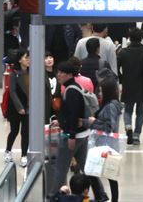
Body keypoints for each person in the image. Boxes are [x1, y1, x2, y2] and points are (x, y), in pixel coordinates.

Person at [49, 61, 108, 201]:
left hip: (73, 135)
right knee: (88, 167)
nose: (58, 75)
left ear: (69, 74)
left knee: (60, 168)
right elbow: (71, 114)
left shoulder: (71, 91)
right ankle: (101, 195)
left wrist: (71, 135)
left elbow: (74, 114)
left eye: (61, 72)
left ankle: (53, 197)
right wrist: (61, 121)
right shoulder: (75, 87)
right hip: (83, 134)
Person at [117, 27, 143, 145]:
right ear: (140, 38)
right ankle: (136, 135)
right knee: (140, 112)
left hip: (128, 84)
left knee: (128, 110)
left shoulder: (123, 52)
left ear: (129, 38)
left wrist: (121, 78)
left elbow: (116, 66)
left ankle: (128, 127)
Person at [89, 79, 124, 202]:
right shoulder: (111, 104)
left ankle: (101, 198)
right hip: (108, 145)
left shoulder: (110, 106)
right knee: (109, 174)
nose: (99, 93)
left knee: (96, 173)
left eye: (101, 91)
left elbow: (109, 126)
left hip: (105, 145)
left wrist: (93, 122)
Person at [4, 49, 31, 167]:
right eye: (26, 58)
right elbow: (12, 92)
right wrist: (19, 107)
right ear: (20, 60)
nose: (28, 60)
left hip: (29, 107)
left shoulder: (32, 73)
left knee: (25, 132)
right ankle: (8, 151)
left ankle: (24, 155)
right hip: (15, 108)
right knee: (14, 131)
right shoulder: (14, 74)